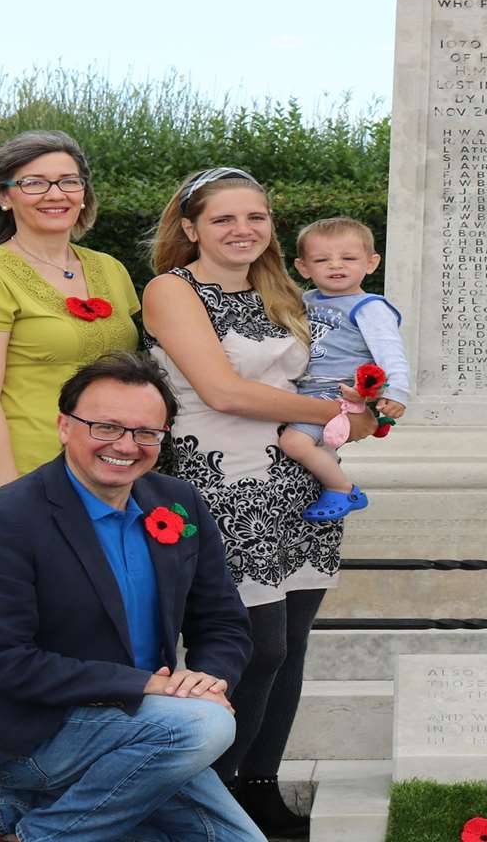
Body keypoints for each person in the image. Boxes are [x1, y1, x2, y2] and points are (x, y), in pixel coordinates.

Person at [0, 352, 261, 842]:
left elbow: (222, 621)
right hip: (21, 724)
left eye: (146, 432)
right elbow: (1, 661)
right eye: (106, 427)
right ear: (64, 426)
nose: (126, 445)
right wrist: (147, 687)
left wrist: (207, 680)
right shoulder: (0, 521)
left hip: (146, 728)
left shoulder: (179, 504)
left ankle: (13, 815)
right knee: (202, 728)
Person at [142, 168, 375, 837]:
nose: (243, 230)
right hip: (220, 482)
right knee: (255, 645)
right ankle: (205, 800)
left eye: (257, 217)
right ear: (190, 228)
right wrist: (333, 410)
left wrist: (366, 407)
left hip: (297, 481)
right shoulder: (172, 290)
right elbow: (224, 392)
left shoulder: (283, 291)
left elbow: (330, 373)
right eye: (223, 219)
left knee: (293, 642)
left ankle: (261, 787)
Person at [0, 130, 140, 527]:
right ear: (5, 196)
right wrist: (10, 498)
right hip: (19, 478)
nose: (55, 194)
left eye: (68, 181)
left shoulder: (111, 269)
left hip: (106, 474)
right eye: (34, 183)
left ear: (83, 193)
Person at [280, 215, 410, 522]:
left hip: (337, 392)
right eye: (322, 259)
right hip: (305, 389)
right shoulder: (304, 300)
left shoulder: (369, 308)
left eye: (348, 258)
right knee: (314, 447)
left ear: (371, 263)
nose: (335, 265)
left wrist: (397, 392)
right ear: (303, 268)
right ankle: (327, 486)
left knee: (293, 442)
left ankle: (342, 488)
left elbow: (391, 352)